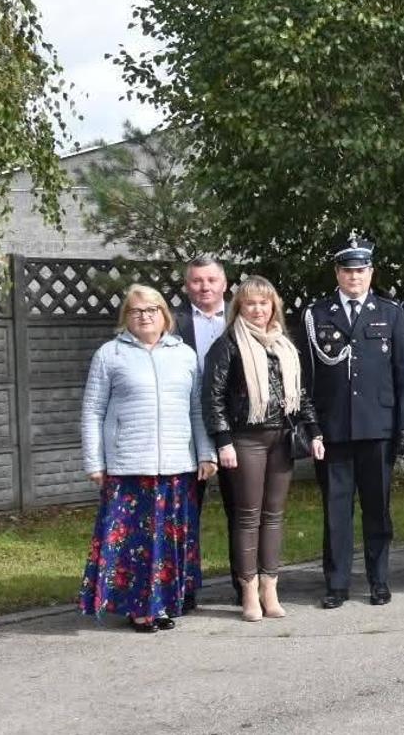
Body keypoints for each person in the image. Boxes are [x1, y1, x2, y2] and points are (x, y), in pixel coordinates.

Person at [79, 284, 217, 633]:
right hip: (129, 467)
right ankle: (137, 609)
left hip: (175, 467)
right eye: (137, 310)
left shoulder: (184, 355)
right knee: (133, 545)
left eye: (152, 309)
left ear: (164, 315)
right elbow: (92, 411)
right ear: (126, 317)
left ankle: (161, 605)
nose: (145, 316)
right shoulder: (109, 355)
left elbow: (197, 410)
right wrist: (94, 461)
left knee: (166, 541)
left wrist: (206, 453)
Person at [303, 237, 404, 608]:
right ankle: (336, 584)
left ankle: (378, 580)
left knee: (377, 510)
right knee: (337, 512)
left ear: (371, 272)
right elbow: (306, 378)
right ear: (337, 273)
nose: (354, 276)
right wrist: (312, 428)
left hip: (378, 429)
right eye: (347, 270)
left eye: (361, 270)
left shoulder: (390, 311)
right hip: (333, 431)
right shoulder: (316, 314)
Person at [201, 275, 323, 621]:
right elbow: (212, 398)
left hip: (280, 438)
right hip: (244, 440)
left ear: (274, 307)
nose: (257, 309)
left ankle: (271, 588)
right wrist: (223, 439)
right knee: (247, 516)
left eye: (264, 303)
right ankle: (249, 591)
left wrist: (314, 431)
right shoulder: (227, 344)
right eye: (250, 303)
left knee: (273, 516)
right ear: (239, 306)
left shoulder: (283, 344)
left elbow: (300, 395)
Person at [174, 254, 234, 610]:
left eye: (211, 280)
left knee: (241, 512)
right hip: (190, 430)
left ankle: (245, 586)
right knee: (184, 514)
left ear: (224, 284)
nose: (205, 287)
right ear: (187, 286)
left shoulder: (240, 317)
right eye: (197, 281)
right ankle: (183, 589)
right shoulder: (174, 323)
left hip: (236, 430)